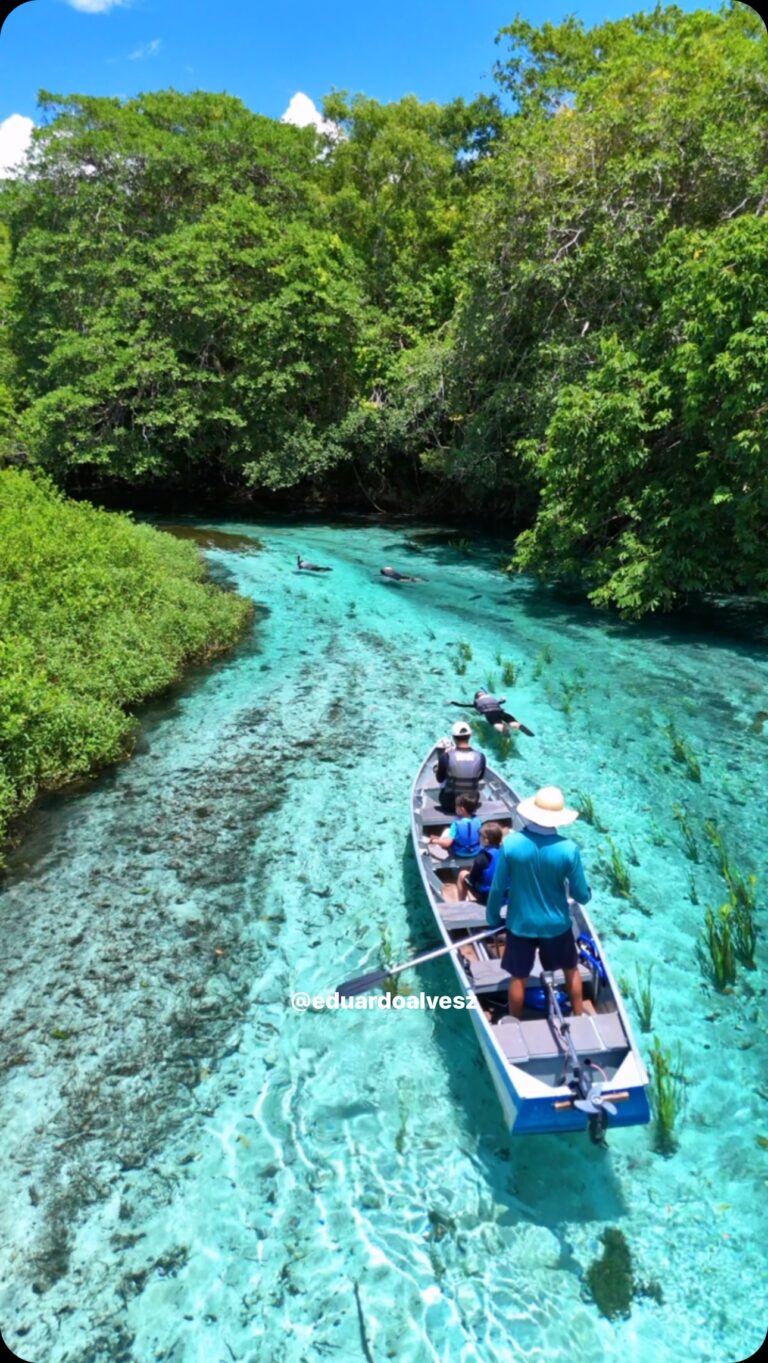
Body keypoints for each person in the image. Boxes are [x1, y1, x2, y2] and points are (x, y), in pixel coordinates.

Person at [486, 786, 591, 1018]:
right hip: (556, 926)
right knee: (571, 970)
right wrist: (588, 894)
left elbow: (497, 887)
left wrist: (492, 918)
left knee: (518, 977)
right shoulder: (569, 849)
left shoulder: (511, 844)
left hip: (520, 925)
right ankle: (578, 1016)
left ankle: (515, 1021)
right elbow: (581, 895)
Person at [434, 721, 486, 813]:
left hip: (449, 804)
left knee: (440, 769)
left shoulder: (446, 757)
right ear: (469, 736)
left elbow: (440, 779)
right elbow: (480, 777)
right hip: (471, 804)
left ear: (454, 738)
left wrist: (439, 767)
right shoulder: (480, 756)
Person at [457, 822, 504, 903]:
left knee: (462, 874)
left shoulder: (482, 857)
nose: (479, 837)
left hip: (487, 897)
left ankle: (461, 903)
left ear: (486, 840)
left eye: (480, 835)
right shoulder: (505, 853)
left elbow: (472, 879)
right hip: (504, 895)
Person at [449, 689, 529, 736]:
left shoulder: (477, 702)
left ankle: (503, 729)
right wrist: (503, 698)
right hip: (500, 711)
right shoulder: (493, 700)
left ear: (476, 697)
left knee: (497, 724)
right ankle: (517, 725)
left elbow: (463, 705)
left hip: (489, 713)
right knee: (512, 722)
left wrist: (452, 702)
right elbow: (502, 701)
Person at [428, 793, 483, 858]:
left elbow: (447, 844)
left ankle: (436, 840)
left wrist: (434, 841)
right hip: (475, 851)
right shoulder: (478, 821)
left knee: (447, 831)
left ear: (462, 809)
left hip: (460, 852)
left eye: (456, 807)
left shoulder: (456, 824)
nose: (455, 808)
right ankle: (440, 839)